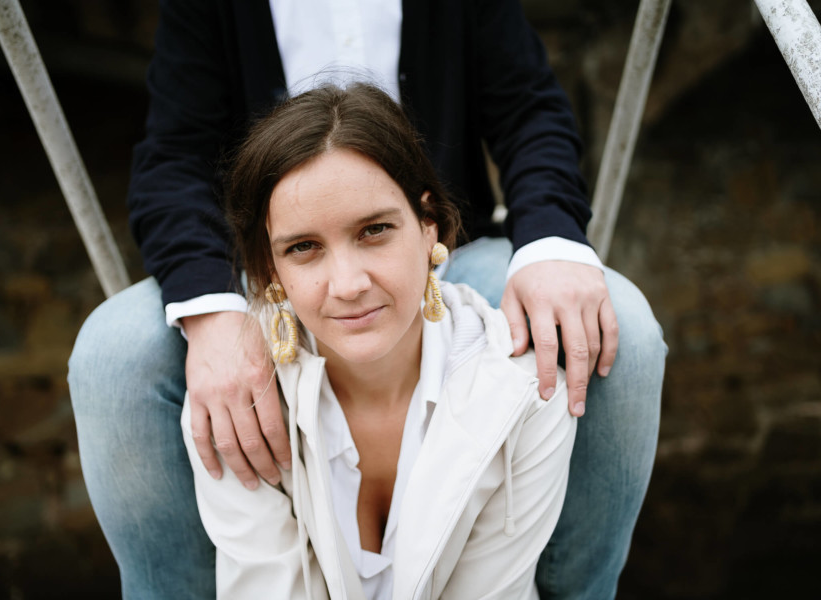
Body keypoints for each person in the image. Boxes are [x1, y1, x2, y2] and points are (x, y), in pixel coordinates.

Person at [68, 1, 666, 598]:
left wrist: (552, 243)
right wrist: (212, 310)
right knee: (115, 356)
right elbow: (173, 157)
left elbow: (529, 109)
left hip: (447, 247)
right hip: (279, 264)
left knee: (622, 330)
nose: (351, 283)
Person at [183, 81, 577, 600]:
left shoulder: (526, 389)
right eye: (304, 247)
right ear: (268, 268)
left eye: (374, 231)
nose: (348, 284)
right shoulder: (233, 402)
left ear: (428, 226)